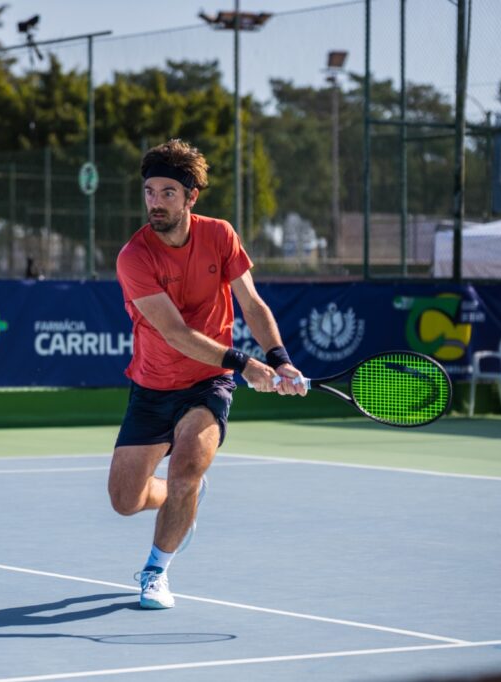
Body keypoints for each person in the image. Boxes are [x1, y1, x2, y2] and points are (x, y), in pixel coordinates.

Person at [109, 138, 307, 610]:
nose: (156, 202)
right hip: (152, 385)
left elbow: (252, 304)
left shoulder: (220, 235)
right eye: (150, 192)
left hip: (207, 384)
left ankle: (155, 571)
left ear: (191, 197)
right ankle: (184, 498)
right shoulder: (134, 257)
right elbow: (175, 333)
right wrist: (246, 364)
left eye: (168, 193)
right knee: (124, 500)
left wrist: (279, 359)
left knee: (185, 471)